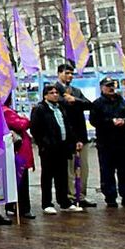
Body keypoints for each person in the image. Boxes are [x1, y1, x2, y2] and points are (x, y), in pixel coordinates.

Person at [29, 85, 83, 215]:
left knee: (62, 176)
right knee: (47, 176)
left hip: (62, 147)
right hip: (48, 149)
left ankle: (64, 202)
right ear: (45, 95)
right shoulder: (40, 109)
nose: (55, 94)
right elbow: (35, 129)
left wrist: (75, 140)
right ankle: (47, 203)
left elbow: (67, 126)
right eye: (51, 92)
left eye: (56, 92)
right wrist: (44, 143)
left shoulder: (60, 108)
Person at [90, 77, 125, 207]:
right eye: (108, 86)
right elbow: (94, 121)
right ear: (102, 88)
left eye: (112, 85)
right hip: (105, 143)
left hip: (123, 142)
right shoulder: (97, 104)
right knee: (107, 171)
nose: (111, 88)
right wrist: (110, 122)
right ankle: (110, 197)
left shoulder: (122, 102)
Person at [55, 63, 96, 208]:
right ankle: (71, 195)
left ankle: (81, 195)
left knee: (83, 168)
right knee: (69, 168)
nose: (70, 76)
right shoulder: (55, 90)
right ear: (59, 73)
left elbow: (89, 104)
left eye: (72, 73)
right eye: (67, 73)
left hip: (80, 134)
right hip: (66, 137)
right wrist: (63, 99)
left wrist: (75, 100)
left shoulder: (76, 91)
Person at [3, 98, 35, 219]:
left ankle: (13, 206)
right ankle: (23, 208)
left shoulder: (6, 110)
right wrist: (25, 119)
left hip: (18, 150)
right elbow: (21, 124)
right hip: (18, 151)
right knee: (20, 180)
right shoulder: (6, 111)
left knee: (16, 180)